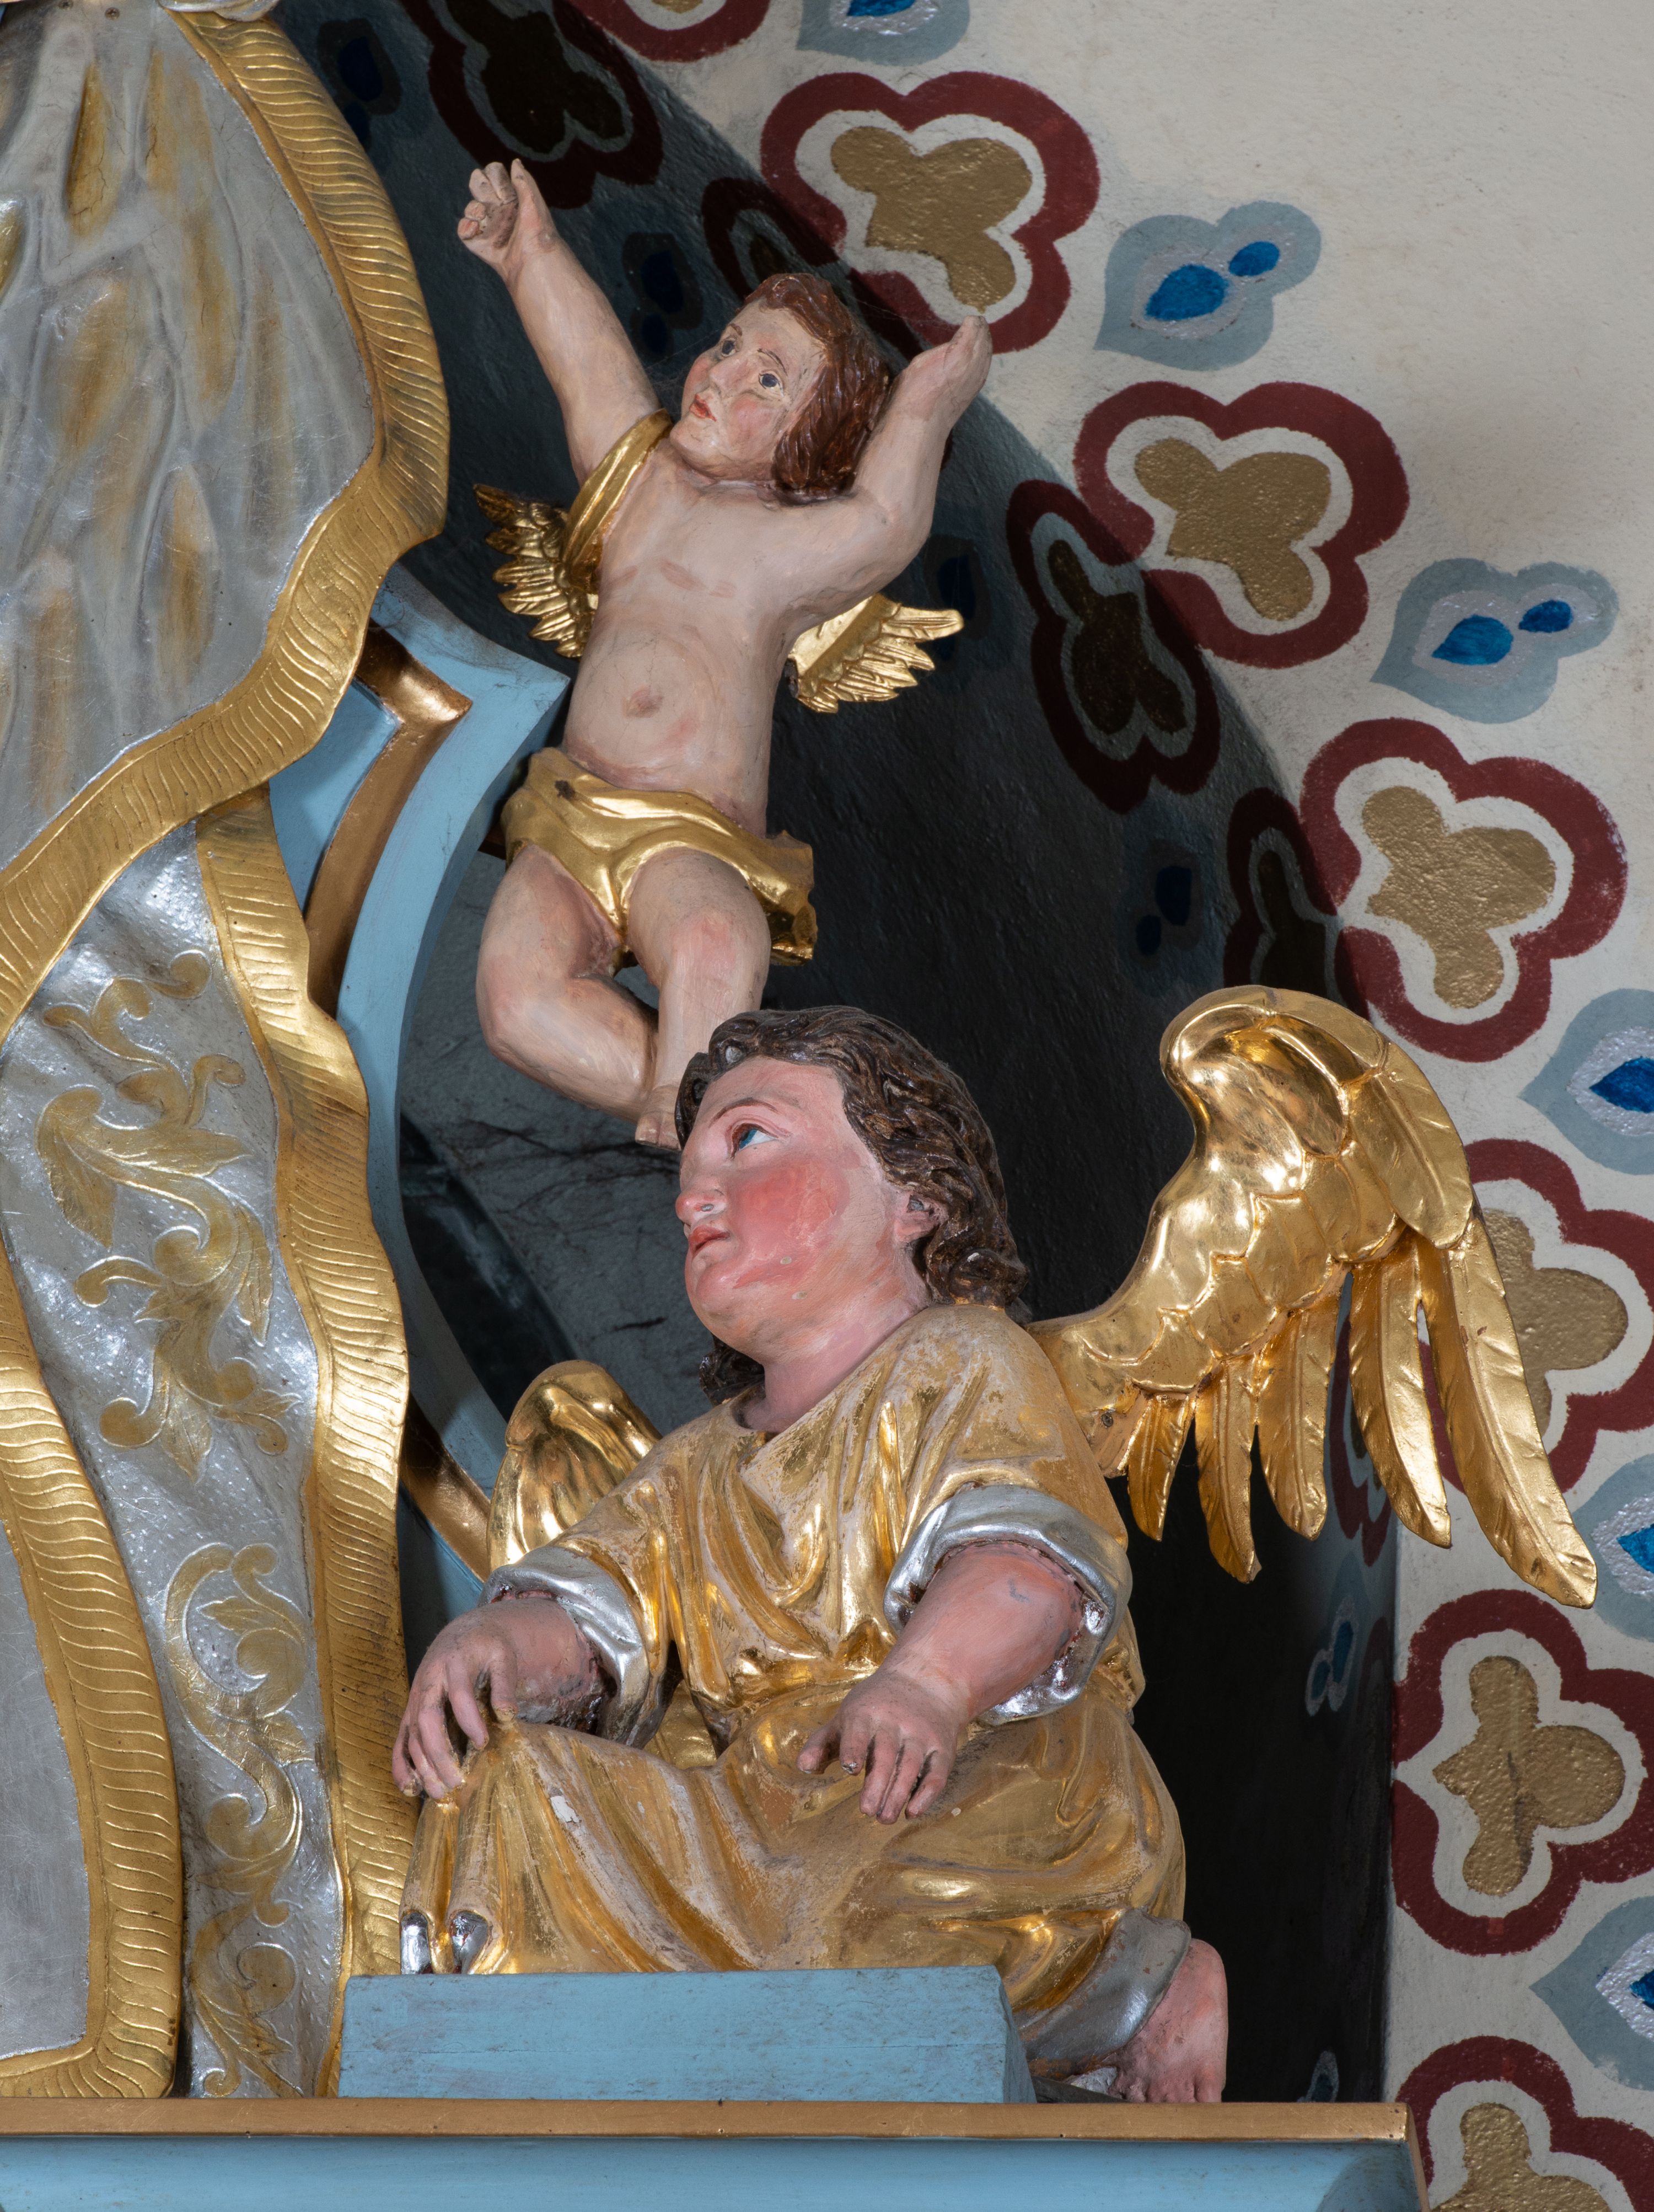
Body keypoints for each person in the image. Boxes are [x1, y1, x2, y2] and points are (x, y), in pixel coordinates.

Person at [394, 1005, 1227, 2101]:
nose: (694, 1199)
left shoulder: (963, 1362)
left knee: (871, 1929)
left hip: (961, 1780)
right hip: (762, 1815)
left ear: (915, 1197)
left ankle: (1124, 1989)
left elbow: (1028, 1567)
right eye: (688, 1175)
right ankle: (551, 2078)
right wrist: (493, 1645)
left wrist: (927, 1683)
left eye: (749, 1140)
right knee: (509, 1786)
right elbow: (594, 1614)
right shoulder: (695, 1466)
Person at [459, 160, 991, 1145]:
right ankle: (704, 1117)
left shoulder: (785, 550)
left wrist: (925, 406)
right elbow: (589, 366)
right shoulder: (642, 487)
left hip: (689, 833)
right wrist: (528, 250)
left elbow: (884, 521)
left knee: (712, 938)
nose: (722, 374)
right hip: (571, 814)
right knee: (515, 1004)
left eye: (767, 381)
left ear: (807, 441)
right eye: (730, 345)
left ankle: (698, 1111)